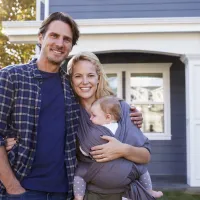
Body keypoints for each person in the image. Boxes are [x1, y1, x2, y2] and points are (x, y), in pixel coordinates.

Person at [0, 12, 143, 200]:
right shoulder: (11, 77)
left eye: (66, 39)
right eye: (54, 36)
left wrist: (128, 113)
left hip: (64, 191)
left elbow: (98, 105)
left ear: (71, 46)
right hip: (22, 189)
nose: (60, 43)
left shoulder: (72, 85)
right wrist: (12, 187)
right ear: (41, 37)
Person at [66, 51, 153, 200]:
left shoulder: (120, 109)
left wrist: (123, 149)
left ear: (99, 78)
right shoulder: (69, 113)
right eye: (78, 76)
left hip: (128, 194)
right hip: (91, 194)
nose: (84, 81)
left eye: (90, 75)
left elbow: (145, 157)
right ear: (71, 80)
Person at [73, 96, 163, 200]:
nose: (90, 118)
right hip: (118, 179)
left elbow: (85, 149)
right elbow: (137, 141)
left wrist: (122, 150)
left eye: (94, 116)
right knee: (142, 170)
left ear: (107, 117)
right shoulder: (122, 125)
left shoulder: (95, 131)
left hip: (114, 184)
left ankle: (78, 197)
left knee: (79, 174)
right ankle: (149, 190)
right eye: (78, 77)